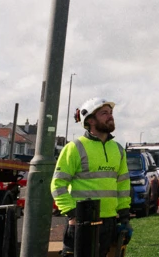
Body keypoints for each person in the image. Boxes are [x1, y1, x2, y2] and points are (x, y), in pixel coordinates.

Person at [51, 98, 132, 257]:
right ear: (90, 120)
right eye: (104, 113)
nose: (110, 116)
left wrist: (124, 219)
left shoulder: (118, 150)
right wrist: (73, 214)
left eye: (111, 113)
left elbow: (123, 186)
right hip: (82, 222)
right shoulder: (74, 148)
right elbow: (58, 184)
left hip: (109, 222)